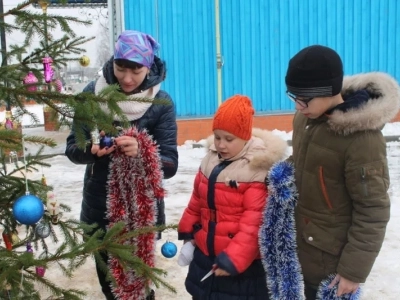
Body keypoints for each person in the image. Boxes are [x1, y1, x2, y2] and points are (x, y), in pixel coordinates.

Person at [65, 30, 178, 300]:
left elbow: (171, 164)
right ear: (113, 63)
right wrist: (90, 151)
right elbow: (72, 148)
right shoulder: (92, 95)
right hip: (100, 207)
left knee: (139, 282)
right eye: (120, 69)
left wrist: (143, 151)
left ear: (148, 67)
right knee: (111, 285)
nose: (127, 79)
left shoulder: (161, 103)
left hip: (141, 211)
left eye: (136, 71)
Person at [285, 45, 399, 299]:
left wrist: (352, 271)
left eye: (305, 98)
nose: (298, 105)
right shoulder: (305, 119)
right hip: (299, 249)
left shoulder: (362, 140)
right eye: (293, 96)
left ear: (328, 91)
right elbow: (302, 165)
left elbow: (373, 211)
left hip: (331, 264)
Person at [178, 95, 287, 299]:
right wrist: (188, 232)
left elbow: (254, 224)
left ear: (245, 137)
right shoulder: (210, 161)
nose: (221, 145)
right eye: (217, 137)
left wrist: (234, 259)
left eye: (229, 139)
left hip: (239, 267)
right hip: (206, 258)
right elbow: (196, 201)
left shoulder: (256, 170)